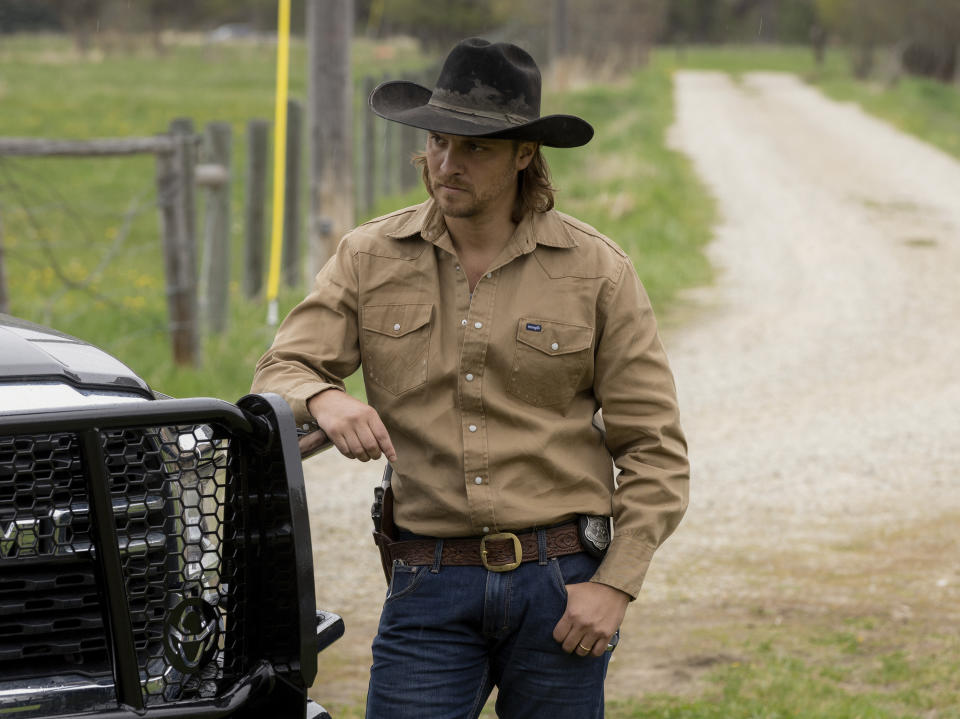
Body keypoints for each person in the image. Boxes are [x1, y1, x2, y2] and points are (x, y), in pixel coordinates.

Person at [252, 37, 688, 719]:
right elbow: (282, 367)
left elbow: (655, 449)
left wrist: (616, 586)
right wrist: (326, 396)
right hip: (427, 582)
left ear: (524, 155)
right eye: (438, 142)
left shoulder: (597, 271)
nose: (447, 164)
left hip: (563, 582)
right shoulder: (369, 256)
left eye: (475, 148)